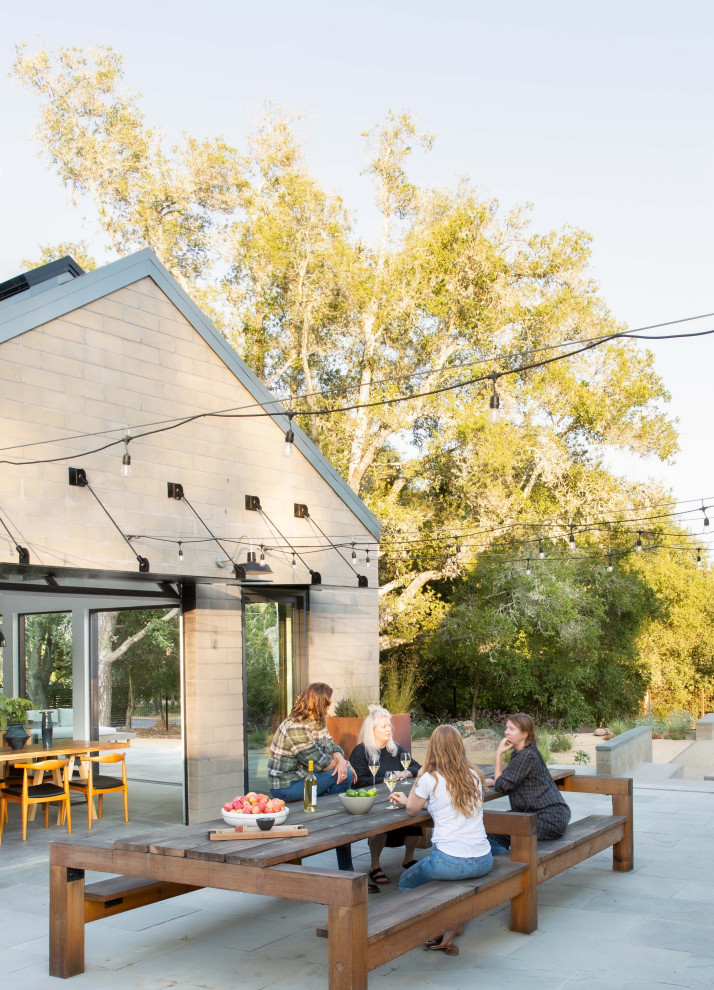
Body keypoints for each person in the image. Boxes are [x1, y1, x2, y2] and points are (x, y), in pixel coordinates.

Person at [389, 724, 493, 956]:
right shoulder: (475, 775)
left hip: (450, 861)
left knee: (406, 882)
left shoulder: (429, 778)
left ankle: (442, 924)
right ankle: (451, 923)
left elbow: (412, 812)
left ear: (433, 748)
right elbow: (447, 802)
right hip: (484, 859)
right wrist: (417, 799)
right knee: (444, 877)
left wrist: (418, 777)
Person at [267, 682, 356, 869]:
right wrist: (344, 764)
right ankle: (328, 807)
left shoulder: (317, 721)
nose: (330, 706)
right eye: (328, 702)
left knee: (343, 779)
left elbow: (332, 746)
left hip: (306, 779)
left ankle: (327, 806)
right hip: (287, 787)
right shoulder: (296, 727)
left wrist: (340, 759)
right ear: (319, 704)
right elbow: (320, 763)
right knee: (345, 777)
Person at [349, 705, 422, 889]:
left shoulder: (395, 749)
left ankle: (408, 858)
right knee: (380, 823)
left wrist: (405, 774)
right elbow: (360, 782)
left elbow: (416, 767)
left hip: (397, 797)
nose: (389, 729)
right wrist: (389, 777)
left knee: (415, 815)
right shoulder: (361, 752)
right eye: (383, 727)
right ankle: (375, 866)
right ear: (371, 730)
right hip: (374, 802)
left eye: (389, 726)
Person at [484, 712, 571, 852]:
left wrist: (498, 754)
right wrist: (492, 781)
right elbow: (508, 778)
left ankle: (506, 865)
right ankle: (507, 859)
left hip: (548, 819)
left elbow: (502, 786)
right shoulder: (524, 752)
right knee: (496, 823)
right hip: (543, 814)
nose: (506, 732)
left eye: (512, 729)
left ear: (525, 734)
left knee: (494, 829)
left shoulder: (526, 755)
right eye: (506, 728)